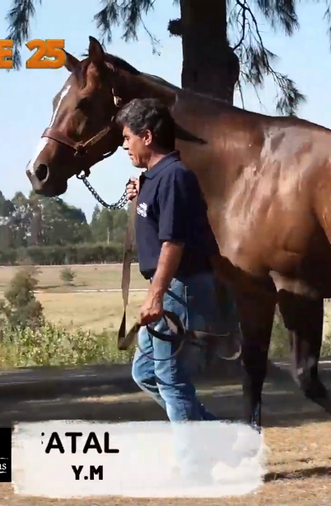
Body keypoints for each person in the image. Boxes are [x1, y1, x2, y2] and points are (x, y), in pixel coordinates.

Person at [116, 97, 233, 425]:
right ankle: (220, 437)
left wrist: (155, 295)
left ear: (147, 137)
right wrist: (140, 195)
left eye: (128, 138)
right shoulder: (154, 178)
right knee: (145, 373)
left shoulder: (173, 177)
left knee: (171, 381)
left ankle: (195, 463)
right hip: (166, 288)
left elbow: (173, 243)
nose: (125, 146)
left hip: (177, 291)